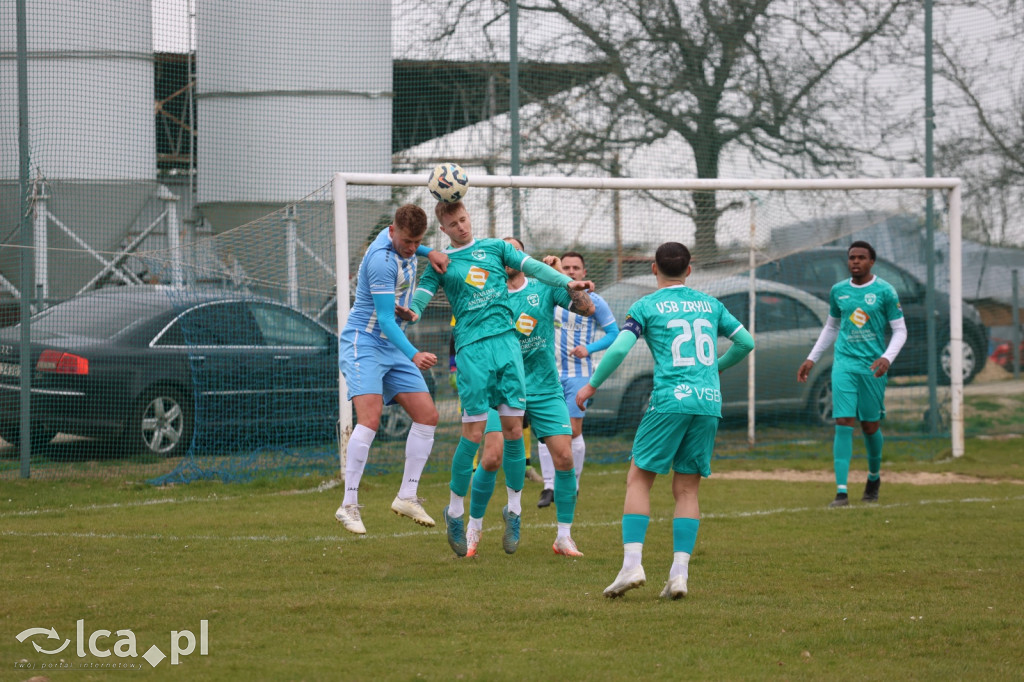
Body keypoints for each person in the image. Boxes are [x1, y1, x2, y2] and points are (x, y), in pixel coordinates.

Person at [406, 201, 593, 557]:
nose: (461, 226)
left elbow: (579, 301)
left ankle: (532, 520)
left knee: (540, 446)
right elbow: (420, 294)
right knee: (484, 449)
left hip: (530, 373)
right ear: (443, 229)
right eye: (453, 223)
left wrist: (567, 281)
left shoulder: (526, 275)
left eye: (464, 219)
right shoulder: (447, 264)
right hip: (478, 356)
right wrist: (412, 308)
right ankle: (464, 520)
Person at [575, 242, 754, 599]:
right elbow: (746, 342)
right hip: (708, 402)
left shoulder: (646, 305)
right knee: (687, 489)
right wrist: (713, 368)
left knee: (639, 479)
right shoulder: (711, 304)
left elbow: (621, 347)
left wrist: (592, 385)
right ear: (689, 270)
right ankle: (679, 574)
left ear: (654, 268)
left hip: (671, 400)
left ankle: (632, 565)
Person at [463, 238, 595, 558]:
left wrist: (559, 275)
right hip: (501, 387)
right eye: (503, 252)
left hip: (545, 387)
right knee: (491, 457)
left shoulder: (543, 286)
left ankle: (563, 537)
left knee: (564, 458)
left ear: (523, 257)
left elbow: (587, 308)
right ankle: (473, 529)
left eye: (515, 251)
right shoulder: (485, 293)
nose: (508, 257)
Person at [334, 204, 449, 535]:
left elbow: (392, 314)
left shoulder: (405, 243)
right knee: (370, 420)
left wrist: (430, 252)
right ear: (391, 231)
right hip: (365, 343)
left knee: (427, 415)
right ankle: (348, 505)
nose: (412, 248)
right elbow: (385, 318)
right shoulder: (382, 261)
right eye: (407, 242)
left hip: (390, 344)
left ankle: (407, 496)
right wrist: (414, 354)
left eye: (417, 242)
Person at [797, 240, 907, 507]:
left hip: (872, 367)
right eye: (852, 257)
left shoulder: (885, 291)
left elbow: (900, 330)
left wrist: (887, 357)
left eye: (861, 257)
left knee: (870, 425)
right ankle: (841, 492)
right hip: (844, 364)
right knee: (843, 421)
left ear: (871, 262)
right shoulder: (838, 291)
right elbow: (832, 327)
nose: (855, 261)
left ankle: (873, 477)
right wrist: (812, 358)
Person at [537, 251, 619, 508]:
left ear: (584, 272)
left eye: (576, 267)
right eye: (566, 267)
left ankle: (573, 484)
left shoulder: (594, 301)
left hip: (579, 374)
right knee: (545, 431)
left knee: (572, 431)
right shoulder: (550, 296)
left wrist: (589, 349)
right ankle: (549, 486)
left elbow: (614, 333)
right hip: (548, 373)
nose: (571, 271)